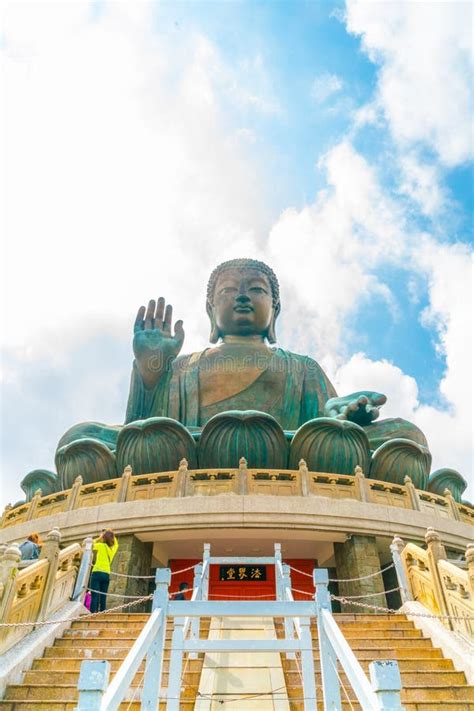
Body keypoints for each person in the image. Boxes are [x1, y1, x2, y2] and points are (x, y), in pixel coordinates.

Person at [89, 529, 119, 613]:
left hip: (97, 572)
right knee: (103, 595)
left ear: (104, 538)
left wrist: (100, 537)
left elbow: (91, 544)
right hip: (106, 574)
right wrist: (111, 533)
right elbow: (116, 544)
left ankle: (92, 613)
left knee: (95, 595)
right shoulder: (112, 550)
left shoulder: (100, 546)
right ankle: (102, 612)